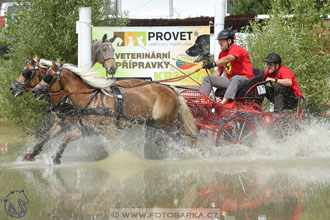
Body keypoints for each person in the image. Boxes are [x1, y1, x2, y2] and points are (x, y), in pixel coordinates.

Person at [201, 29, 254, 105]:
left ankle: (223, 102)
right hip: (230, 80)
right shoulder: (222, 54)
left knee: (235, 78)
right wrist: (209, 81)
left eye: (222, 40)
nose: (219, 42)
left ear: (229, 41)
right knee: (207, 79)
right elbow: (219, 71)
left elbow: (228, 59)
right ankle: (202, 102)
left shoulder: (236, 49)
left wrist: (212, 64)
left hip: (245, 79)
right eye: (219, 40)